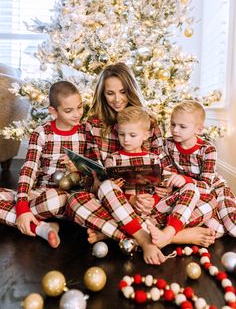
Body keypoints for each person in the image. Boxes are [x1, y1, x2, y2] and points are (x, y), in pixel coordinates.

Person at [67, 63, 216, 258]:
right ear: (102, 94)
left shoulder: (149, 122)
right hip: (116, 200)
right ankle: (159, 238)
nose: (117, 99)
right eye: (110, 93)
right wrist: (104, 185)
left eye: (123, 91)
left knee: (208, 200)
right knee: (75, 201)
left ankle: (119, 233)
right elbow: (95, 174)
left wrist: (162, 189)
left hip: (152, 202)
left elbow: (164, 167)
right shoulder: (93, 124)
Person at [103, 106, 217, 248]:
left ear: (146, 135)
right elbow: (112, 194)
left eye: (132, 135)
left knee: (195, 191)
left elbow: (162, 187)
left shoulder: (154, 158)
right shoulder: (112, 160)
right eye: (121, 134)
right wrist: (132, 200)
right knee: (103, 190)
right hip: (126, 210)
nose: (126, 140)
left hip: (155, 208)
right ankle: (165, 234)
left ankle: (165, 234)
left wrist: (154, 199)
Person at [0, 81, 93, 248]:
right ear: (53, 112)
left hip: (67, 198)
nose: (77, 114)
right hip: (39, 194)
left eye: (80, 107)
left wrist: (78, 168)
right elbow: (29, 168)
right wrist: (21, 205)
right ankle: (42, 227)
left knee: (54, 200)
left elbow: (93, 172)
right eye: (68, 110)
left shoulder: (86, 132)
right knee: (23, 198)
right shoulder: (42, 133)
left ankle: (29, 221)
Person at [161, 100, 236, 238]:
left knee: (231, 225)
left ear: (199, 130)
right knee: (216, 230)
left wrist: (184, 179)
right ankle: (174, 231)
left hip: (214, 188)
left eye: (182, 126)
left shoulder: (208, 149)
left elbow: (207, 185)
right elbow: (168, 172)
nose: (175, 130)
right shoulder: (167, 144)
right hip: (189, 191)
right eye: (173, 124)